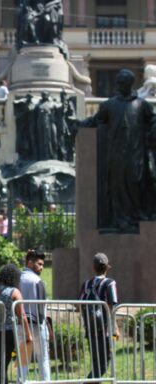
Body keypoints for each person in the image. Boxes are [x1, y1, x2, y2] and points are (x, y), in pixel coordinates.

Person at [80, 69, 156, 231]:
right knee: (117, 186)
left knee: (136, 182)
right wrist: (78, 125)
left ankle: (136, 217)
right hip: (115, 155)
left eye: (124, 82)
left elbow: (153, 122)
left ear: (130, 84)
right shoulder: (109, 105)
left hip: (137, 154)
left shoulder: (142, 105)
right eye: (120, 82)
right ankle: (119, 219)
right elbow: (94, 121)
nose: (121, 85)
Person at [0, 264, 32, 384]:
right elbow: (22, 315)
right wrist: (28, 334)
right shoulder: (14, 292)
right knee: (4, 362)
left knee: (1, 362)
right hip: (7, 331)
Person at [79, 253, 119, 381]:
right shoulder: (110, 283)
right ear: (107, 268)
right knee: (103, 366)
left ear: (93, 267)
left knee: (96, 363)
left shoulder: (86, 284)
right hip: (104, 331)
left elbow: (79, 304)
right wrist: (115, 328)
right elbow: (111, 307)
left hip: (91, 329)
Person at [19, 249, 52, 382]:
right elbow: (42, 307)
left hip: (21, 325)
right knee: (43, 358)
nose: (42, 267)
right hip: (37, 325)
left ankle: (21, 381)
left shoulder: (18, 278)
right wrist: (47, 327)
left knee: (23, 360)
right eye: (39, 264)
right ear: (30, 263)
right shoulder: (38, 281)